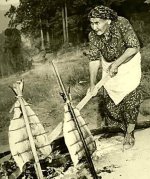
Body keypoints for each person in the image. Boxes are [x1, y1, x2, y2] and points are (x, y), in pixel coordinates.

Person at [87, 5, 143, 149]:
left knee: (130, 98)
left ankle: (129, 134)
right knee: (108, 100)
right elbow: (93, 60)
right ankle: (122, 129)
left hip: (128, 63)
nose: (94, 27)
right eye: (92, 23)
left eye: (97, 22)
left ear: (108, 21)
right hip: (109, 65)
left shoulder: (121, 23)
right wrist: (93, 85)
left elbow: (134, 47)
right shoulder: (93, 36)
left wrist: (117, 64)